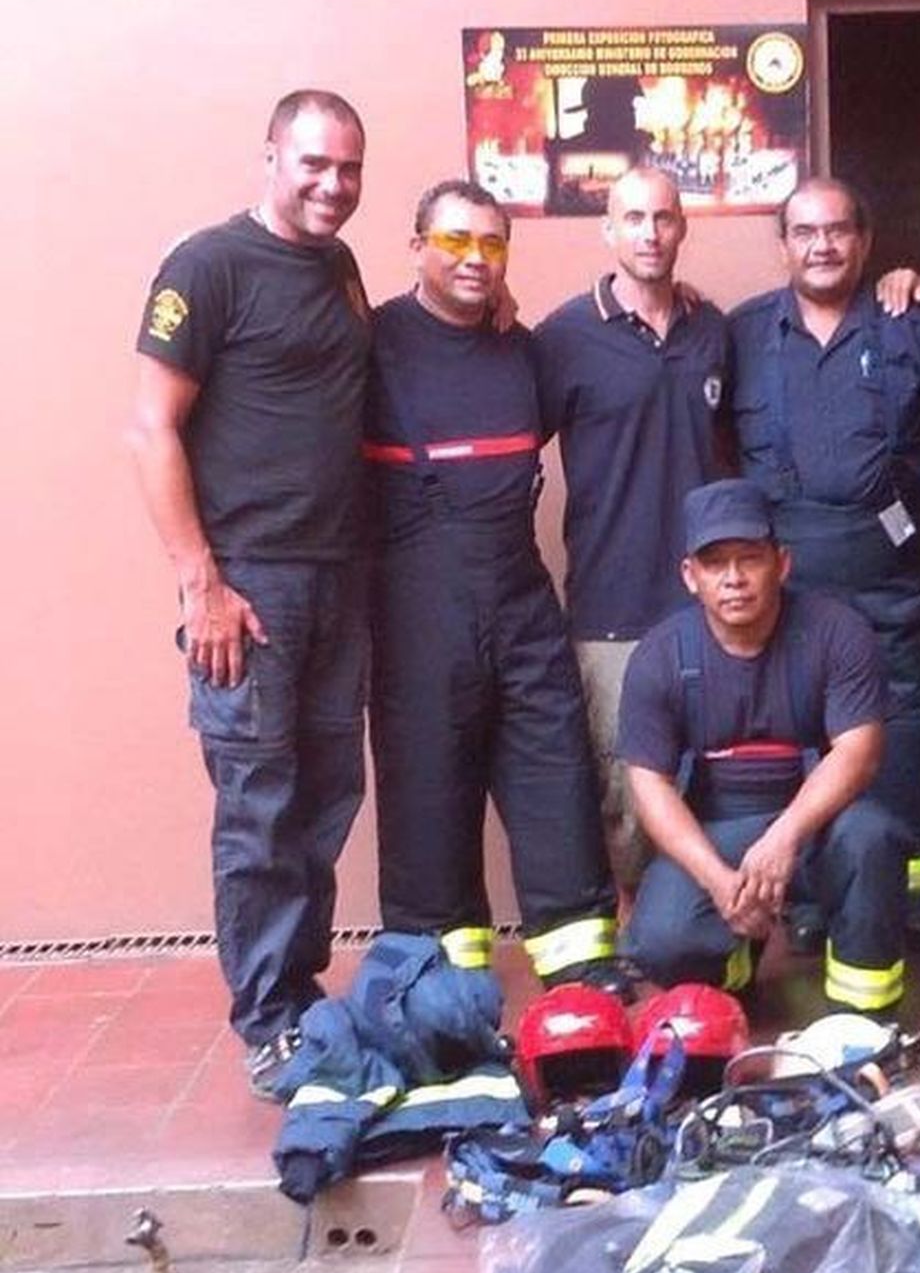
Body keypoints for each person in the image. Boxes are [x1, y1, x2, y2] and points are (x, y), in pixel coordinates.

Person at [127, 90, 372, 1097]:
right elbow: (150, 428)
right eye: (313, 163)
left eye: (349, 168)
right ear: (269, 157)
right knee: (260, 807)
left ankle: (301, 995)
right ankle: (268, 1017)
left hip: (337, 578)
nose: (332, 184)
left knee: (323, 797)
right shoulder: (207, 267)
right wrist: (203, 586)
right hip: (250, 590)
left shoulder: (342, 269)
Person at [363, 179, 625, 997]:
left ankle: (582, 962)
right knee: (426, 789)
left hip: (520, 598)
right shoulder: (369, 344)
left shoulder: (526, 349)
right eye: (454, 241)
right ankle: (443, 981)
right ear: (416, 247)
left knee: (556, 774)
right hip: (416, 613)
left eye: (491, 244)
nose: (475, 258)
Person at [728, 178, 920, 938]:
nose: (821, 246)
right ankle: (811, 891)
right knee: (796, 729)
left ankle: (917, 889)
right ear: (783, 243)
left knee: (908, 720)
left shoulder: (910, 324)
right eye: (804, 232)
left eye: (836, 231)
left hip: (887, 563)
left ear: (863, 240)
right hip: (787, 577)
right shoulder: (742, 333)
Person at [618, 480, 907, 1016]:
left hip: (816, 828)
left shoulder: (836, 632)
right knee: (660, 938)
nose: (733, 579)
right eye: (715, 564)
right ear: (690, 576)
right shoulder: (660, 656)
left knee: (874, 838)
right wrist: (719, 882)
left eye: (749, 559)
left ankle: (865, 1017)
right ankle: (735, 965)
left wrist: (785, 837)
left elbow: (858, 751)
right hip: (717, 836)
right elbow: (649, 785)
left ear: (782, 563)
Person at [531, 167, 733, 899]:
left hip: (713, 605)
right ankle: (650, 936)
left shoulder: (714, 330)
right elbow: (511, 442)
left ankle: (706, 934)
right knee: (626, 799)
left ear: (682, 227)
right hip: (610, 609)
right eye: (634, 218)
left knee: (717, 780)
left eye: (665, 218)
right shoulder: (562, 338)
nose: (650, 233)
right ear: (608, 231)